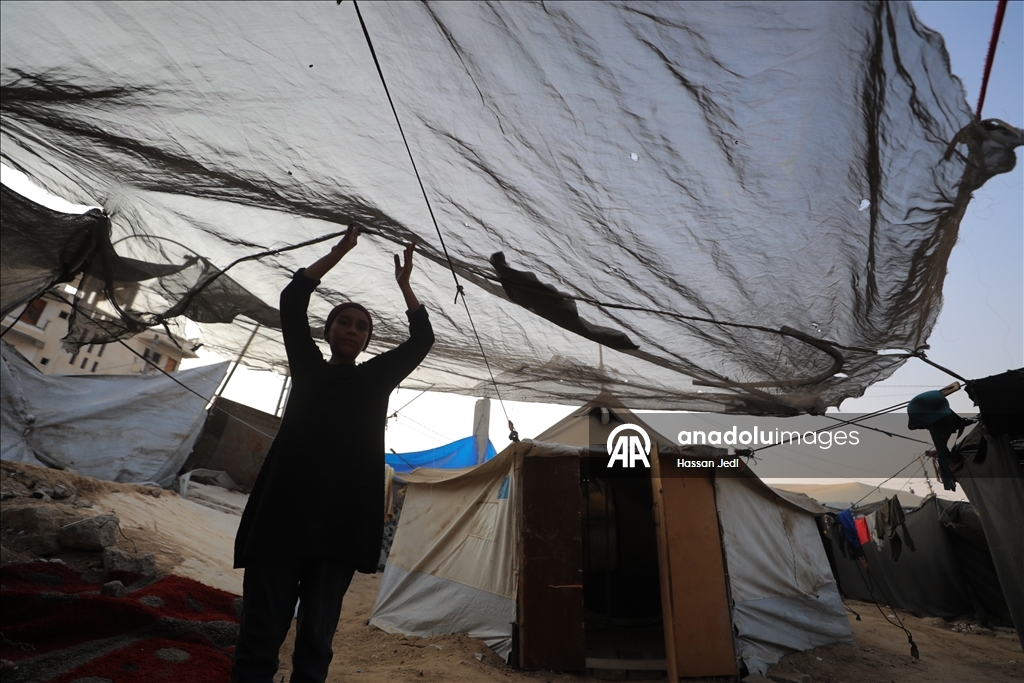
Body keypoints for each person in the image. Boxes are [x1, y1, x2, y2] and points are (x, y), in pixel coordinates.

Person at [230, 226, 434, 683]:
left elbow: (420, 342)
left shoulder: (376, 379)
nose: (353, 329)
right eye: (345, 321)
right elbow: (292, 300)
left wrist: (405, 286)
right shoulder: (306, 366)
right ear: (328, 331)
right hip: (282, 518)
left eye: (362, 327)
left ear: (366, 341)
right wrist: (340, 251)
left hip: (340, 527)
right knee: (260, 634)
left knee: (316, 641)